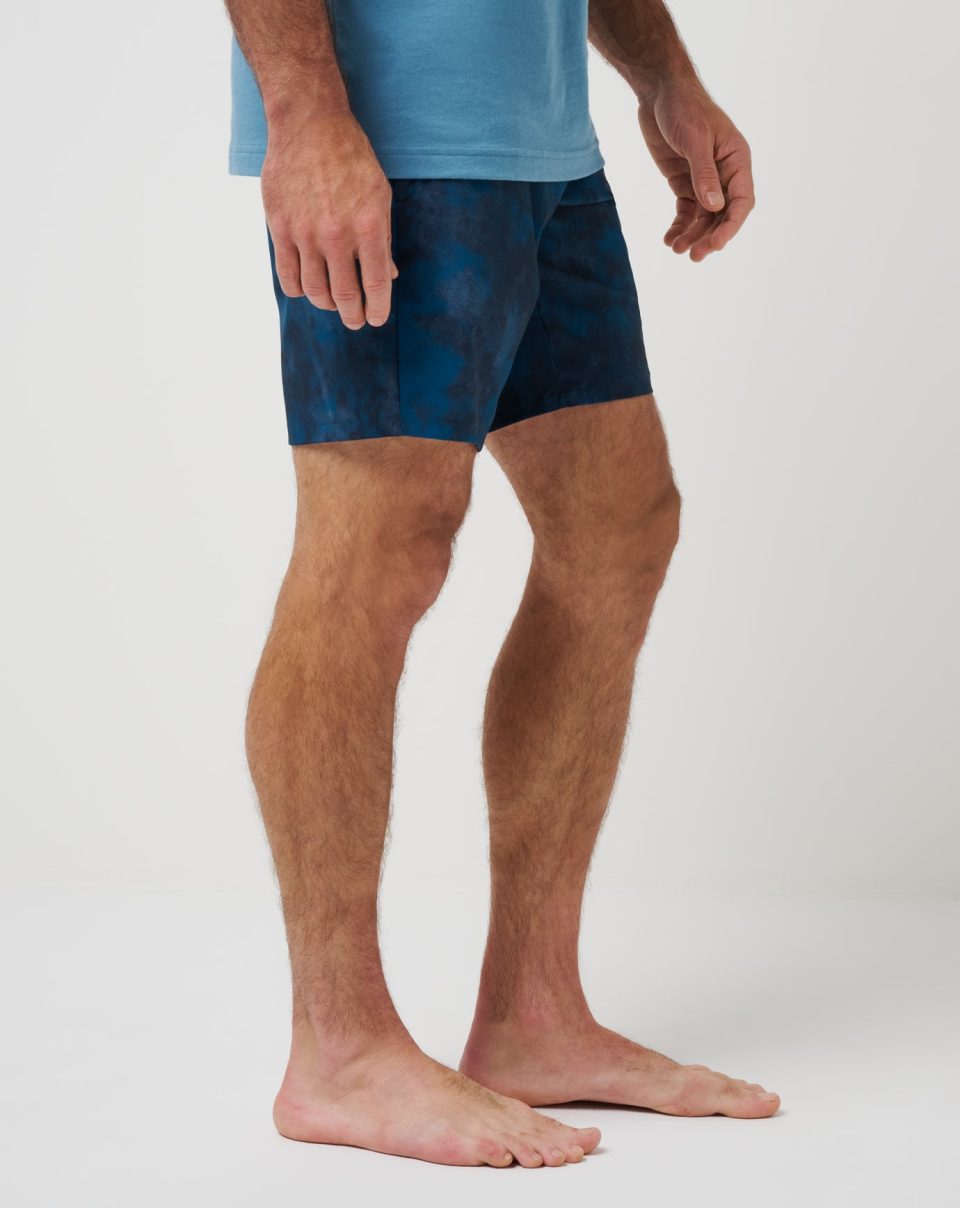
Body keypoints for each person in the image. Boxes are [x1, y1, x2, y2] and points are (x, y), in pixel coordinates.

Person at [225, 0, 777, 1168]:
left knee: (619, 527)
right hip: (393, 131)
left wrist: (663, 77)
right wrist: (304, 110)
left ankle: (534, 1012)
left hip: (544, 141)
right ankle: (339, 1048)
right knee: (380, 548)